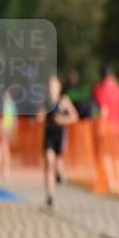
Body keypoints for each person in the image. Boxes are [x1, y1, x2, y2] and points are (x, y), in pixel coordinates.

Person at [37, 75, 79, 208]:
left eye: (53, 85)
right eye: (49, 86)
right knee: (49, 161)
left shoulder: (64, 101)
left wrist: (61, 119)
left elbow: (74, 117)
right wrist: (39, 116)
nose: (51, 88)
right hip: (49, 135)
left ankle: (61, 175)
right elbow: (39, 117)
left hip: (60, 136)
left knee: (58, 162)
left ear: (58, 87)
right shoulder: (45, 102)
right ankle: (50, 194)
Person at [93, 65, 119, 196]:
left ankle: (111, 184)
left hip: (105, 128)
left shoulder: (99, 89)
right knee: (117, 157)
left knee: (107, 156)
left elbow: (102, 109)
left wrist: (100, 126)